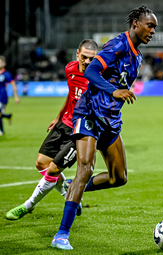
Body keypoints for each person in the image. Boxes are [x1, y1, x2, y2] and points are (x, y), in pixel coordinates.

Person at [51, 5, 158, 250]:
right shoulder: (117, 46)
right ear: (135, 24)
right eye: (149, 25)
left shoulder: (137, 55)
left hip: (110, 119)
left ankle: (72, 188)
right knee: (85, 168)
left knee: (119, 178)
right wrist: (114, 91)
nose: (153, 31)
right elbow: (92, 70)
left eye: (154, 27)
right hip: (88, 113)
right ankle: (61, 235)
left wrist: (115, 97)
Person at [5, 39, 99, 220]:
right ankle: (68, 195)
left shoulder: (97, 78)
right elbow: (71, 94)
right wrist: (58, 116)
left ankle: (27, 205)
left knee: (53, 170)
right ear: (78, 54)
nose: (87, 62)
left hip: (80, 130)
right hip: (64, 123)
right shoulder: (70, 69)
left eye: (91, 59)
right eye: (85, 57)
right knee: (41, 163)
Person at [0, 56, 20, 135]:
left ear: (4, 63)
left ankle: (1, 131)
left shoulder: (6, 74)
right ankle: (7, 116)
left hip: (2, 97)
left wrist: (16, 97)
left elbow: (13, 85)